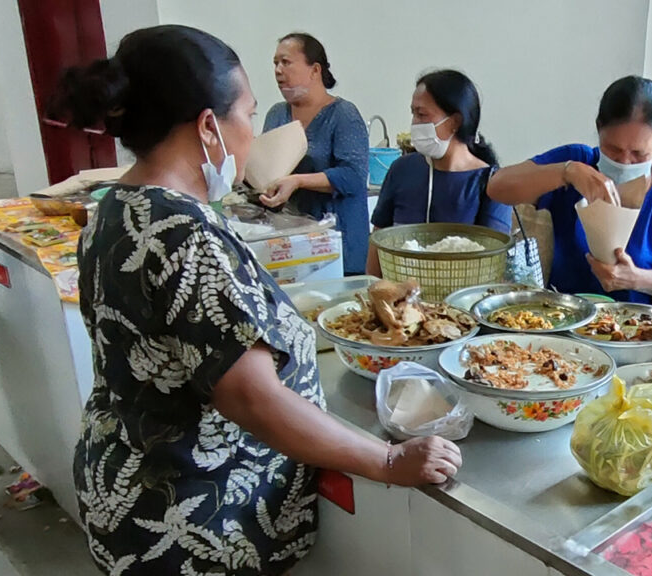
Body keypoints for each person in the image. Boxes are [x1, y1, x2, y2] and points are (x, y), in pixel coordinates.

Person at [54, 25, 460, 576]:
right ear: (206, 127)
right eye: (246, 114)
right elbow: (252, 399)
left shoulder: (114, 207)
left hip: (126, 485)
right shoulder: (183, 234)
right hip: (192, 526)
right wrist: (387, 460)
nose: (252, 134)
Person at [488, 76, 652, 303]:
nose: (625, 162)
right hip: (565, 315)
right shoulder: (577, 162)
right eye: (613, 149)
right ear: (599, 129)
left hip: (637, 327)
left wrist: (635, 278)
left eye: (639, 154)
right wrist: (566, 172)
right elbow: (497, 187)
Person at [366, 70, 511, 277]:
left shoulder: (492, 184)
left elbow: (491, 268)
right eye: (413, 113)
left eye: (422, 114)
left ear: (455, 122)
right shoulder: (401, 170)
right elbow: (377, 245)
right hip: (399, 302)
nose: (415, 123)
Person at [260, 32, 369, 276]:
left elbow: (353, 177)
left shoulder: (343, 115)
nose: (278, 70)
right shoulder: (276, 114)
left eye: (286, 62)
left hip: (337, 245)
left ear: (315, 70)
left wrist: (297, 181)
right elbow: (267, 166)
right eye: (275, 63)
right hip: (290, 244)